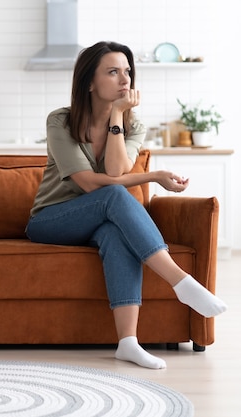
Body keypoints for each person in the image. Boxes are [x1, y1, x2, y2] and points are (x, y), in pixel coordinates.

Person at [25, 41, 227, 369]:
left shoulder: (133, 126)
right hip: (52, 220)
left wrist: (117, 114)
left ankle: (128, 342)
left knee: (115, 234)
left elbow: (115, 170)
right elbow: (90, 183)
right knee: (114, 196)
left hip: (97, 219)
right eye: (113, 72)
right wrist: (154, 175)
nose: (125, 80)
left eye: (128, 72)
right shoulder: (60, 121)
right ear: (89, 82)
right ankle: (181, 282)